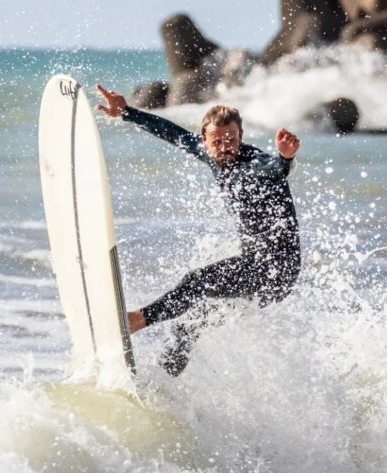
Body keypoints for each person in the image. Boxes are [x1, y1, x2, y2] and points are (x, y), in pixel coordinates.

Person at [95, 84, 302, 376]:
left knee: (196, 282)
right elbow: (171, 132)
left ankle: (137, 320)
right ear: (204, 140)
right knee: (189, 324)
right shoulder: (210, 153)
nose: (225, 147)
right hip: (255, 267)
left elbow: (275, 168)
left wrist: (285, 158)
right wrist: (127, 113)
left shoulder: (255, 163)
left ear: (241, 136)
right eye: (217, 141)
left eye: (231, 140)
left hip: (276, 269)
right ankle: (165, 380)